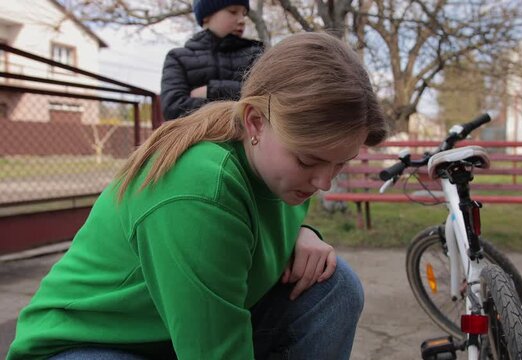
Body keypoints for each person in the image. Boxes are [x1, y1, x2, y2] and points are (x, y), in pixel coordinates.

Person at [8, 32, 388, 360]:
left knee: (335, 289)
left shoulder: (277, 166)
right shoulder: (199, 190)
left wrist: (299, 234)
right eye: (310, 160)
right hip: (90, 343)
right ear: (255, 121)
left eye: (340, 164)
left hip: (168, 336)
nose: (324, 182)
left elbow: (259, 224)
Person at [160, 0, 263, 121]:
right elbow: (173, 109)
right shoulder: (178, 58)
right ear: (206, 17)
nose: (242, 21)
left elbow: (264, 98)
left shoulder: (257, 55)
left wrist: (212, 90)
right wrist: (238, 102)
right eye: (233, 12)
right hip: (197, 138)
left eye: (244, 14)